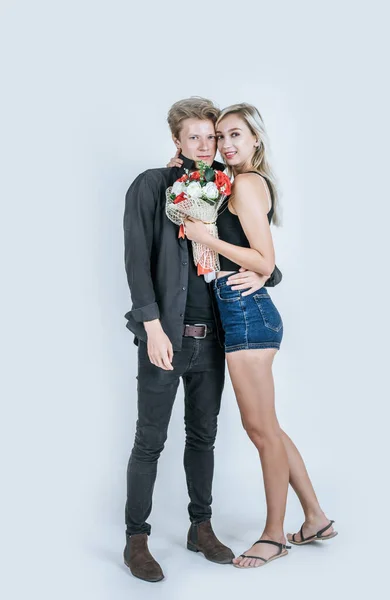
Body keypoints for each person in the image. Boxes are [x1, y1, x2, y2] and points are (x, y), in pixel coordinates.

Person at [181, 103, 337, 570]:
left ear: (256, 142)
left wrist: (204, 239)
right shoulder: (235, 181)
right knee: (266, 426)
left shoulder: (248, 183)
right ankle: (314, 518)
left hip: (246, 314)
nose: (226, 145)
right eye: (220, 137)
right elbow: (266, 265)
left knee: (261, 431)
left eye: (235, 136)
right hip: (243, 312)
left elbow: (264, 261)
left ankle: (273, 536)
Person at [123, 97, 271, 582]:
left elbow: (252, 250)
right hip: (167, 336)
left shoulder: (225, 188)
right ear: (177, 142)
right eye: (196, 138)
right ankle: (136, 538)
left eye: (213, 137)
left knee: (203, 437)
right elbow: (136, 260)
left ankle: (199, 527)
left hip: (215, 339)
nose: (208, 146)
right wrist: (151, 328)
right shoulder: (153, 185)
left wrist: (267, 274)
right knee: (150, 440)